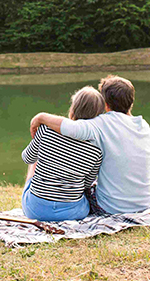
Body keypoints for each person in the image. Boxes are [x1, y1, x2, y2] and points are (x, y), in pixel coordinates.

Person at [29, 75, 150, 215]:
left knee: (81, 189)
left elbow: (69, 127)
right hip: (145, 203)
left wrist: (40, 117)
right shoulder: (143, 125)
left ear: (105, 103)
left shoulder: (101, 123)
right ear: (131, 101)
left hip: (112, 208)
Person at [21, 87, 105, 221]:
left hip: (35, 210)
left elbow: (27, 158)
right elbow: (87, 184)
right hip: (72, 213)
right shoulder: (97, 150)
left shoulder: (46, 130)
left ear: (73, 109)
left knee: (36, 159)